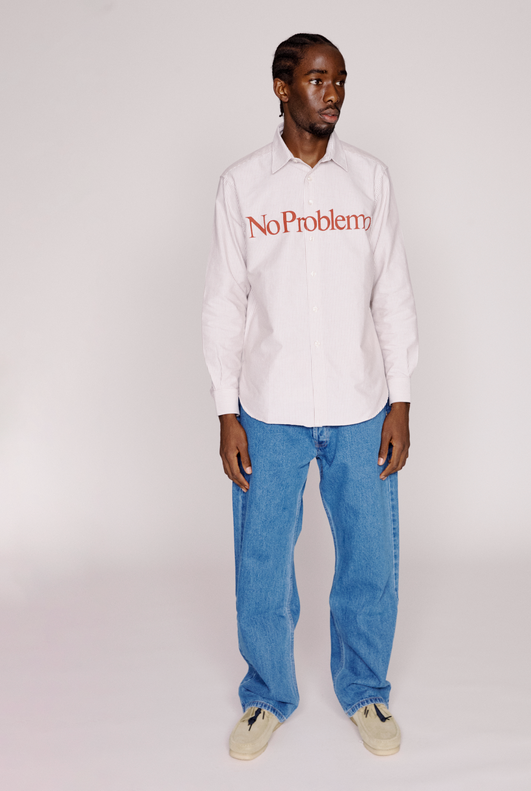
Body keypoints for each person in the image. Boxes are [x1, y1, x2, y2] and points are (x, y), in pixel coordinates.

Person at [202, 33, 418, 759]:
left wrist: (400, 398)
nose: (333, 93)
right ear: (281, 87)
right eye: (318, 79)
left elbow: (392, 291)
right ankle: (267, 695)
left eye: (340, 79)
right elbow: (224, 302)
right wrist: (226, 410)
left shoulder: (369, 180)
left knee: (370, 561)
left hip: (361, 404)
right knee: (262, 564)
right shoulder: (242, 185)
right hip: (269, 408)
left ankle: (365, 689)